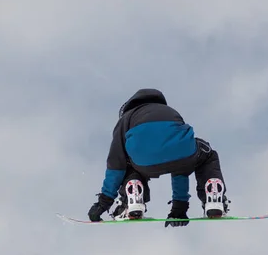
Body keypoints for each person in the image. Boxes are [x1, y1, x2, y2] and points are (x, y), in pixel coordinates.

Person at [87, 88, 230, 227]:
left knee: (127, 162)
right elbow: (180, 165)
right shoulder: (170, 112)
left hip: (143, 161)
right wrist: (179, 208)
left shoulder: (126, 118)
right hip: (183, 155)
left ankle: (133, 198)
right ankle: (213, 197)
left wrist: (103, 204)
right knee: (206, 155)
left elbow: (116, 164)